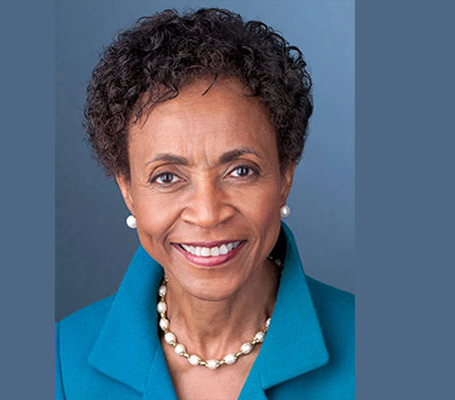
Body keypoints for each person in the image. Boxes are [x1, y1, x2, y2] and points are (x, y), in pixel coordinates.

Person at [55, 8, 354, 400]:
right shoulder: (61, 360)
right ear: (127, 190)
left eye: (240, 171)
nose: (208, 213)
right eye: (167, 177)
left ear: (285, 178)